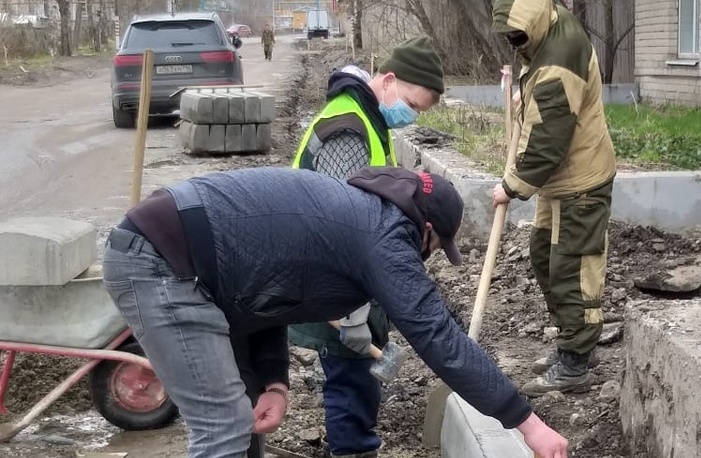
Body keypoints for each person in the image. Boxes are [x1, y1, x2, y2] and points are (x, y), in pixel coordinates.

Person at [102, 166, 569, 458]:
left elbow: (259, 299)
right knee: (222, 427)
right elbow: (439, 337)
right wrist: (527, 423)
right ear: (425, 230)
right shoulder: (382, 234)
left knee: (240, 422)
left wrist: (273, 383)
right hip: (161, 261)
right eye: (435, 247)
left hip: (192, 267)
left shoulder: (354, 215)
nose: (427, 257)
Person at [287, 35, 444, 458]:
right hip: (331, 283)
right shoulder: (346, 128)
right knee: (350, 379)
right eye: (411, 104)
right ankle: (353, 452)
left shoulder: (368, 119)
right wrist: (351, 312)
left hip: (346, 282)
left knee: (355, 377)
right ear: (389, 81)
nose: (410, 116)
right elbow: (340, 226)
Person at [491, 0, 617, 395]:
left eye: (517, 35)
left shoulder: (560, 56)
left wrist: (512, 186)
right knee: (544, 255)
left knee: (572, 270)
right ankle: (572, 341)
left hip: (580, 180)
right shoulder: (545, 30)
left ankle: (576, 363)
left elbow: (549, 139)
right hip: (560, 181)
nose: (514, 44)